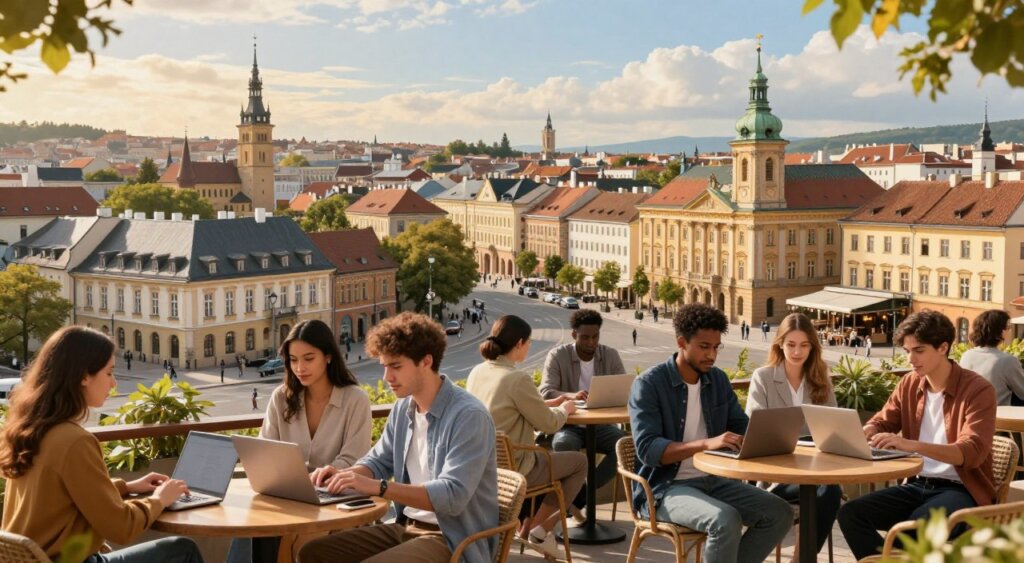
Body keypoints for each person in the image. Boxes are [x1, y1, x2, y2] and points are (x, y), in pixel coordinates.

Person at [299, 312, 498, 563]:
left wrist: (380, 488)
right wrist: (344, 475)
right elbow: (379, 461)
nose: (386, 377)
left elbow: (452, 496)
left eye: (395, 366)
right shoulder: (404, 408)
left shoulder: (468, 416)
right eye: (384, 366)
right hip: (405, 527)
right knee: (313, 553)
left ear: (426, 361)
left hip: (452, 539)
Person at [0, 326, 202, 562]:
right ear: (84, 376)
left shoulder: (30, 428)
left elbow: (60, 498)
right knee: (182, 549)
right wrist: (160, 499)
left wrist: (125, 487)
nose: (114, 383)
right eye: (109, 373)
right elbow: (121, 527)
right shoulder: (74, 442)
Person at [629, 303, 792, 563]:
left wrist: (773, 433)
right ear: (682, 342)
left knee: (779, 513)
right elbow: (648, 451)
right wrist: (706, 443)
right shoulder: (649, 384)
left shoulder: (716, 380)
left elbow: (741, 426)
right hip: (665, 489)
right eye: (704, 347)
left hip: (715, 481)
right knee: (725, 520)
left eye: (716, 347)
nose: (712, 355)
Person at [838, 310, 997, 560]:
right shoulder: (910, 383)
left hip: (962, 491)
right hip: (917, 484)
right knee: (851, 513)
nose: (911, 359)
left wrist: (911, 444)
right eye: (907, 351)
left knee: (913, 530)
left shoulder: (977, 390)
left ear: (943, 347)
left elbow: (972, 452)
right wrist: (870, 429)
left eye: (919, 350)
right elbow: (884, 419)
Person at [229, 320, 372, 563]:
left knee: (301, 538)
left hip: (334, 501)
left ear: (328, 356)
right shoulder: (281, 398)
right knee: (248, 526)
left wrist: (318, 478)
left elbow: (353, 460)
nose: (300, 368)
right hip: (288, 498)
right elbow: (265, 451)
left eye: (308, 358)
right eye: (293, 360)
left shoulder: (355, 400)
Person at [467, 315, 586, 558]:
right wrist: (566, 408)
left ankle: (529, 529)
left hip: (485, 466)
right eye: (529, 342)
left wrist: (548, 402)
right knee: (579, 463)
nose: (530, 345)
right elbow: (550, 424)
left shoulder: (478, 371)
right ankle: (540, 530)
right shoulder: (517, 378)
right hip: (518, 468)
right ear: (520, 343)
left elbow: (508, 407)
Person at [746, 313, 842, 557]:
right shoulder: (764, 378)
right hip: (778, 476)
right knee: (824, 491)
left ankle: (801, 557)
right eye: (790, 345)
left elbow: (834, 427)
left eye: (804, 345)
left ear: (812, 347)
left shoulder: (821, 380)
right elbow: (754, 428)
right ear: (780, 344)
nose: (797, 352)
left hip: (815, 470)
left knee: (830, 491)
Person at [540, 309, 626, 512]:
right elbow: (545, 392)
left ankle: (584, 492)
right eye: (585, 337)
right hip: (568, 425)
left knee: (628, 446)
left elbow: (623, 388)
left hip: (601, 427)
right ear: (574, 335)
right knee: (562, 445)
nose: (591, 342)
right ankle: (579, 496)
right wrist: (570, 395)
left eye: (595, 337)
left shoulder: (610, 355)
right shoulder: (558, 355)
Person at [959, 309, 1024, 406]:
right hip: (998, 417)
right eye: (1009, 327)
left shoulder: (967, 356)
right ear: (1001, 332)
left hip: (969, 414)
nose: (1010, 331)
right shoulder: (1007, 361)